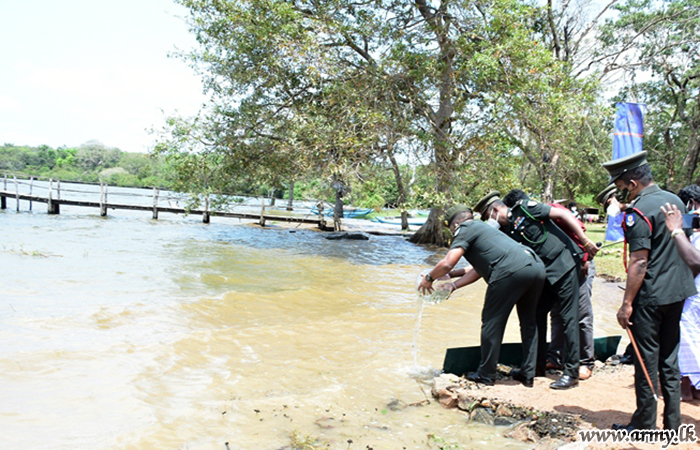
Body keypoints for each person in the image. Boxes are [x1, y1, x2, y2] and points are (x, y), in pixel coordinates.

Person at [602, 151, 696, 431]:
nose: (621, 193)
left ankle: (644, 423)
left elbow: (639, 260)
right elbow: (683, 246)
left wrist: (626, 304)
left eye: (621, 186)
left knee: (646, 360)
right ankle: (674, 423)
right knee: (669, 359)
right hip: (678, 293)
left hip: (651, 297)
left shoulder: (638, 211)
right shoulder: (675, 200)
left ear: (632, 183)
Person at [475, 190, 598, 390]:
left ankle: (571, 373)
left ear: (495, 210)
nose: (490, 221)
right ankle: (534, 367)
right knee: (535, 316)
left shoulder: (524, 208)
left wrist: (584, 241)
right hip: (543, 275)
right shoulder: (506, 232)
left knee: (569, 318)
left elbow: (563, 215)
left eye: (487, 216)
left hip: (565, 265)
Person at [418, 205, 546, 387]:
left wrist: (429, 278)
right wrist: (453, 284)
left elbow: (447, 263)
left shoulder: (464, 229)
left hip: (510, 270)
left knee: (492, 322)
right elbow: (480, 268)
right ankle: (528, 373)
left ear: (454, 225)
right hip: (536, 266)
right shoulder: (484, 229)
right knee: (528, 322)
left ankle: (486, 375)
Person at [546, 200, 597, 381]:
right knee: (557, 312)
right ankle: (556, 357)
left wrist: (585, 258)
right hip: (561, 268)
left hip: (581, 264)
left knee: (582, 313)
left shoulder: (552, 210)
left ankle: (586, 361)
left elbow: (580, 229)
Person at [661, 184, 700, 401]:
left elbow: (695, 263)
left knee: (686, 334)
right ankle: (692, 387)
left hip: (695, 292)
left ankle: (687, 389)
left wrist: (677, 230)